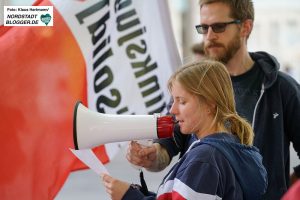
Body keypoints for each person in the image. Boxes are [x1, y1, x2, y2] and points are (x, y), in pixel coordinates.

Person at [126, 0, 300, 199]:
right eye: (204, 28)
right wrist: (151, 157)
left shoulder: (282, 88)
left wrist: (288, 193)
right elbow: (166, 148)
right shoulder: (193, 85)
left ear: (246, 27)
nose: (209, 36)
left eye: (219, 27)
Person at [101, 60, 267, 200]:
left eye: (181, 101)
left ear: (210, 104)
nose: (172, 110)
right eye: (173, 100)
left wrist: (129, 197)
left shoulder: (204, 160)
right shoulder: (226, 148)